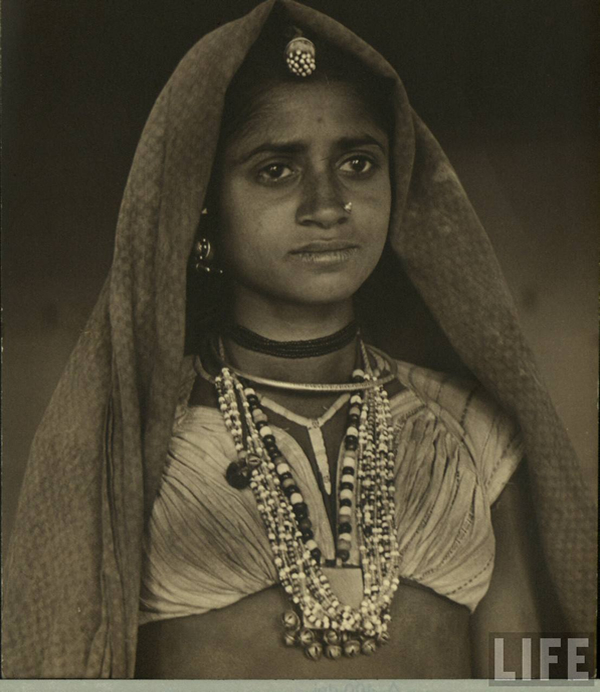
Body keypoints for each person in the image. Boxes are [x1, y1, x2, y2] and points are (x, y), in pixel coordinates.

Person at [3, 0, 596, 680]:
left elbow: (529, 672)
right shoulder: (135, 435)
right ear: (202, 205)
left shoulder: (473, 435)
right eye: (276, 169)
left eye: (358, 164)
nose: (327, 205)